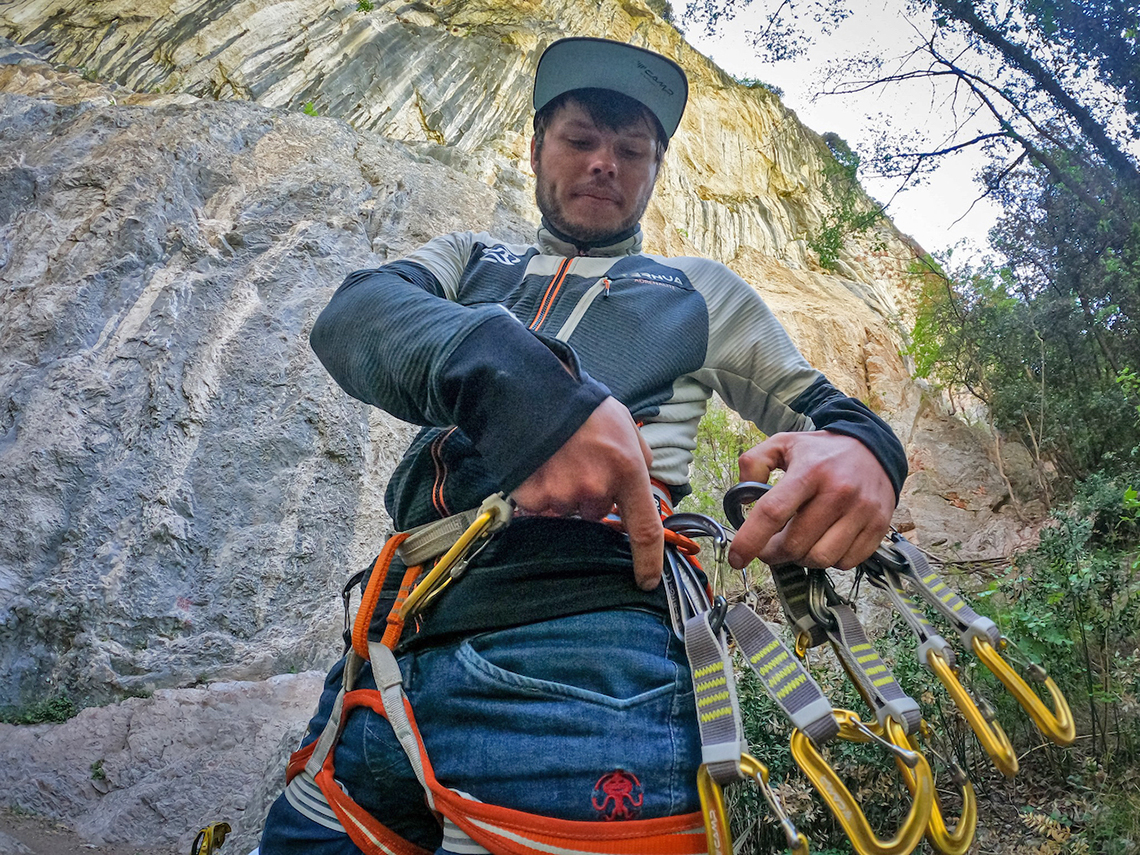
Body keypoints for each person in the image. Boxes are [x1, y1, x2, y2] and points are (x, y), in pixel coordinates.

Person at [258, 36, 906, 855]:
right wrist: (524, 386)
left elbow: (826, 409)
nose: (605, 162)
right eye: (579, 139)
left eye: (631, 149)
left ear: (654, 171)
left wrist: (870, 452)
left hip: (591, 656)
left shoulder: (698, 291)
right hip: (385, 647)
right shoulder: (469, 261)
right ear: (535, 151)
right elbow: (352, 315)